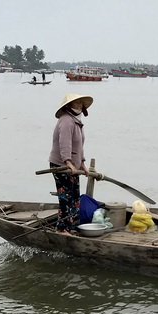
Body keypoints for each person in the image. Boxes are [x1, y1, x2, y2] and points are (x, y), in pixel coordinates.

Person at [48, 93, 93, 233]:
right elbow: (65, 143)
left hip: (73, 166)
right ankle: (62, 228)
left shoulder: (77, 122)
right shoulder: (66, 120)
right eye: (76, 102)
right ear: (68, 105)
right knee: (66, 198)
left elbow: (79, 146)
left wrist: (82, 164)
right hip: (62, 166)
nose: (79, 105)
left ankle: (72, 226)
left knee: (75, 197)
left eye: (81, 102)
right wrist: (67, 162)